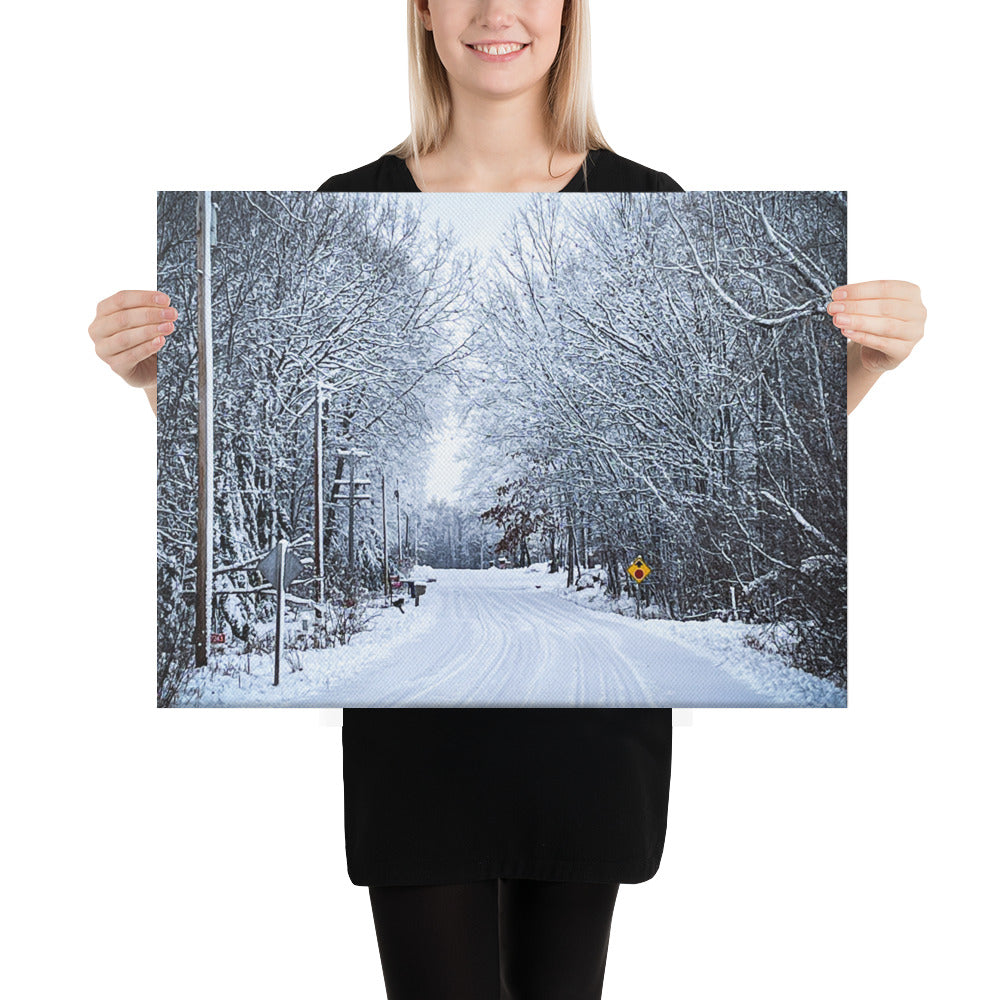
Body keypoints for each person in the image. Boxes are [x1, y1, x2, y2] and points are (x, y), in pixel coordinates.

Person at [88, 2, 926, 997]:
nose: (498, 12)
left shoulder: (648, 200)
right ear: (425, 14)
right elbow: (242, 458)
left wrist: (863, 368)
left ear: (570, 15)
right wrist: (159, 382)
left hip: (590, 756)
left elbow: (753, 447)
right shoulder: (343, 204)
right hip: (417, 760)